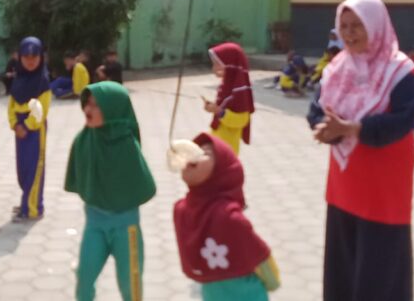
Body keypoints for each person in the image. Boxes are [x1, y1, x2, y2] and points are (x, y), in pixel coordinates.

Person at [307, 0, 414, 301]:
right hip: (345, 181)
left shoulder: (400, 70)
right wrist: (324, 130)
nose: (349, 33)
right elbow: (317, 109)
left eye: (357, 25)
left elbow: (403, 120)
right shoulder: (337, 67)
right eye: (344, 26)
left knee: (380, 265)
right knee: (343, 259)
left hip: (383, 182)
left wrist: (354, 128)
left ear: (375, 25)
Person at [66, 81, 156, 301]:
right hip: (95, 224)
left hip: (126, 228)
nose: (88, 109)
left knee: (131, 285)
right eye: (87, 103)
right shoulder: (83, 140)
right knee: (84, 279)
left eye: (96, 105)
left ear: (113, 110)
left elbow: (143, 183)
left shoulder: (126, 144)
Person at [173, 133, 281, 301]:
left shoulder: (229, 217)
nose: (194, 156)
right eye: (194, 151)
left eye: (205, 153)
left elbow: (259, 255)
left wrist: (272, 280)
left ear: (221, 172)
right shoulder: (182, 209)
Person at [9, 37, 52, 222]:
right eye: (26, 56)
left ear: (41, 57)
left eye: (35, 56)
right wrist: (14, 124)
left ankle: (34, 208)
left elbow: (42, 110)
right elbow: (11, 105)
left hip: (34, 130)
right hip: (20, 130)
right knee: (23, 169)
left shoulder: (43, 82)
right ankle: (26, 201)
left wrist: (26, 126)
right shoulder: (18, 79)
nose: (30, 60)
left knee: (35, 169)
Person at [204, 43, 254, 155]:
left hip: (227, 148)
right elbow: (222, 107)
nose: (214, 68)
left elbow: (242, 119)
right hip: (217, 140)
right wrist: (213, 108)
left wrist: (220, 112)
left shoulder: (240, 91)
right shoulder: (227, 86)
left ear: (230, 65)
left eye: (217, 64)